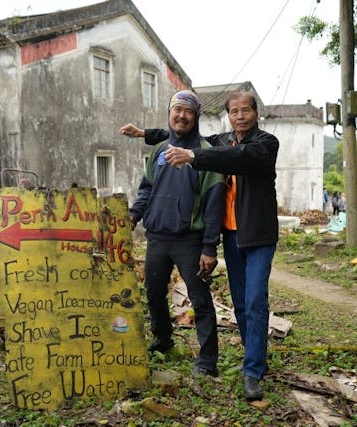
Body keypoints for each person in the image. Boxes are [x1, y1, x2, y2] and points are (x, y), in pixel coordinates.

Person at [120, 91, 279, 401]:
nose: (240, 116)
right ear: (228, 116)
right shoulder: (219, 141)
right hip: (231, 235)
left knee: (255, 300)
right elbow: (183, 136)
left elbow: (234, 158)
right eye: (234, 111)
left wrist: (193, 157)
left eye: (246, 110)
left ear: (256, 114)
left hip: (256, 234)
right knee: (241, 304)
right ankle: (253, 357)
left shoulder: (265, 144)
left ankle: (250, 370)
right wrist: (146, 135)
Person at [128, 90, 224, 378]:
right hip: (157, 236)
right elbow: (146, 189)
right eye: (176, 110)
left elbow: (213, 202)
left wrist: (209, 247)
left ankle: (207, 360)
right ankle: (163, 339)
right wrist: (134, 215)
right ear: (169, 114)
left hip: (189, 240)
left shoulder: (205, 153)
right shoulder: (158, 150)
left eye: (188, 111)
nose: (181, 116)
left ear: (195, 117)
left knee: (200, 299)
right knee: (154, 292)